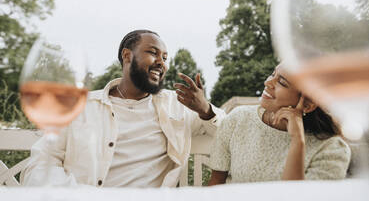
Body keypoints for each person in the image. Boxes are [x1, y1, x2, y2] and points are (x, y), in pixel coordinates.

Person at [21, 30, 225, 187]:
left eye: (165, 57)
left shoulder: (178, 106)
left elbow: (231, 130)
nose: (161, 63)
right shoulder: (80, 106)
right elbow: (38, 166)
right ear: (127, 56)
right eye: (153, 53)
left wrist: (205, 109)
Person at [208, 64, 351, 185]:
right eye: (272, 74)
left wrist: (297, 141)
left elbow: (298, 196)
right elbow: (215, 186)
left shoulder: (332, 149)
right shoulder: (238, 119)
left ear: (308, 105)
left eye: (282, 82)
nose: (268, 82)